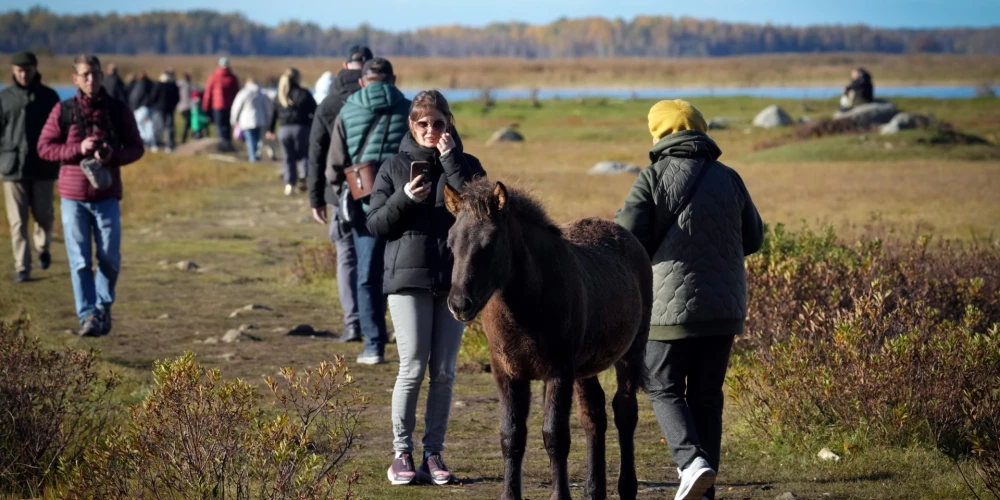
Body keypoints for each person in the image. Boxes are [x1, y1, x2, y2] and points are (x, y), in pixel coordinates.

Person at [614, 100, 764, 500]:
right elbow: (754, 238)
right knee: (707, 398)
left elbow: (626, 238)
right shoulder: (730, 178)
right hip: (724, 310)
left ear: (659, 133)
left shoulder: (653, 177)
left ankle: (690, 462)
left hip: (668, 310)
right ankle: (703, 489)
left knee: (662, 386)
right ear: (701, 129)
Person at [367, 90, 485, 486]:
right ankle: (401, 453)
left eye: (438, 122)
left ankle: (433, 454)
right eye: (423, 123)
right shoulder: (393, 167)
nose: (431, 129)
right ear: (412, 125)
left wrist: (451, 161)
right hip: (408, 281)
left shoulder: (468, 165)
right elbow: (376, 224)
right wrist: (404, 199)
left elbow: (480, 212)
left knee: (445, 372)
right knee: (413, 367)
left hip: (455, 281)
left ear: (449, 123)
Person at [37, 54, 144, 337]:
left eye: (95, 74)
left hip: (107, 195)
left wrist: (112, 156)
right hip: (72, 197)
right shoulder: (63, 110)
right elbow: (44, 148)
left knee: (109, 258)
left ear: (101, 76)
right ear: (75, 78)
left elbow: (137, 148)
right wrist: (78, 149)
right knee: (81, 261)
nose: (91, 79)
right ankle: (87, 315)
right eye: (85, 74)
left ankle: (103, 307)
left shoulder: (118, 110)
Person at [326, 57, 411, 365]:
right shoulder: (410, 109)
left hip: (365, 207)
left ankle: (374, 346)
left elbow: (334, 167)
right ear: (393, 79)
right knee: (405, 275)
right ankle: (409, 345)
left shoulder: (347, 110)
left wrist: (346, 190)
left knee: (367, 276)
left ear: (362, 82)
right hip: (407, 203)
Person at [308, 45, 373, 344]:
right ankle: (373, 325)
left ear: (344, 65)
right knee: (374, 258)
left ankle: (353, 324)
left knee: (346, 258)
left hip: (339, 193)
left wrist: (316, 198)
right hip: (375, 190)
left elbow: (316, 154)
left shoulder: (329, 103)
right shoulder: (381, 98)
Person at [0, 51, 61, 283]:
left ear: (35, 69)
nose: (24, 74)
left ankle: (43, 247)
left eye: (28, 70)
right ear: (13, 71)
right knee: (17, 221)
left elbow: (60, 131)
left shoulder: (49, 97)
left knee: (44, 215)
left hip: (43, 166)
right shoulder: (5, 98)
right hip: (12, 167)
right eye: (20, 70)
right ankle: (22, 266)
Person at [267, 68, 316, 195]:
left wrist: (270, 130)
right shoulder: (304, 93)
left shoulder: (280, 95)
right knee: (304, 154)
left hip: (284, 130)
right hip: (302, 128)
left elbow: (274, 114)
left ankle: (289, 185)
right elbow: (315, 110)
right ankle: (304, 174)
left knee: (288, 158)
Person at [203, 57, 240, 149]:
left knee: (219, 126)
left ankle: (221, 145)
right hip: (230, 106)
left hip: (217, 106)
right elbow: (237, 93)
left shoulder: (214, 76)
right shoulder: (233, 78)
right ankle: (228, 145)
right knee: (227, 126)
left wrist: (206, 107)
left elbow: (208, 93)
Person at [230, 77, 270, 163]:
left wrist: (233, 120)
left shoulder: (243, 93)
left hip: (246, 120)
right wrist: (268, 120)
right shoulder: (261, 94)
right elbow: (267, 108)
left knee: (250, 140)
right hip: (260, 120)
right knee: (257, 140)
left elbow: (236, 107)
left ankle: (253, 158)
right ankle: (255, 156)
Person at [150, 70, 180, 153]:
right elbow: (177, 98)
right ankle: (168, 145)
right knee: (168, 127)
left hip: (160, 109)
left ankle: (157, 144)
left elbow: (153, 97)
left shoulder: (159, 84)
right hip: (167, 109)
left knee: (159, 127)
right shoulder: (173, 85)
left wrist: (155, 105)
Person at [128, 71, 155, 149]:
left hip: (142, 107)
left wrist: (134, 106)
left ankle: (143, 138)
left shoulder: (140, 84)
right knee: (149, 124)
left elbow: (136, 96)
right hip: (151, 107)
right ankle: (150, 141)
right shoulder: (151, 84)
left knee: (138, 122)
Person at [176, 73, 193, 144]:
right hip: (186, 107)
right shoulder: (187, 85)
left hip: (181, 107)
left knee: (189, 122)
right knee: (189, 121)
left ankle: (185, 138)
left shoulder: (178, 85)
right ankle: (184, 138)